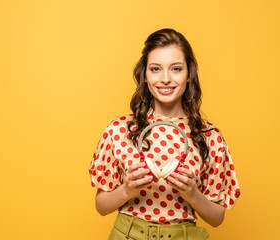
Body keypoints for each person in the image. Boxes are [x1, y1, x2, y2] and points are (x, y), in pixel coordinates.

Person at [89, 28, 240, 240]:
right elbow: (101, 206)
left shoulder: (210, 136)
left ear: (189, 75)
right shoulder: (118, 130)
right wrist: (126, 190)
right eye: (156, 69)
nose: (166, 79)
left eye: (176, 69)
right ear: (145, 75)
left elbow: (217, 218)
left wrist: (192, 194)